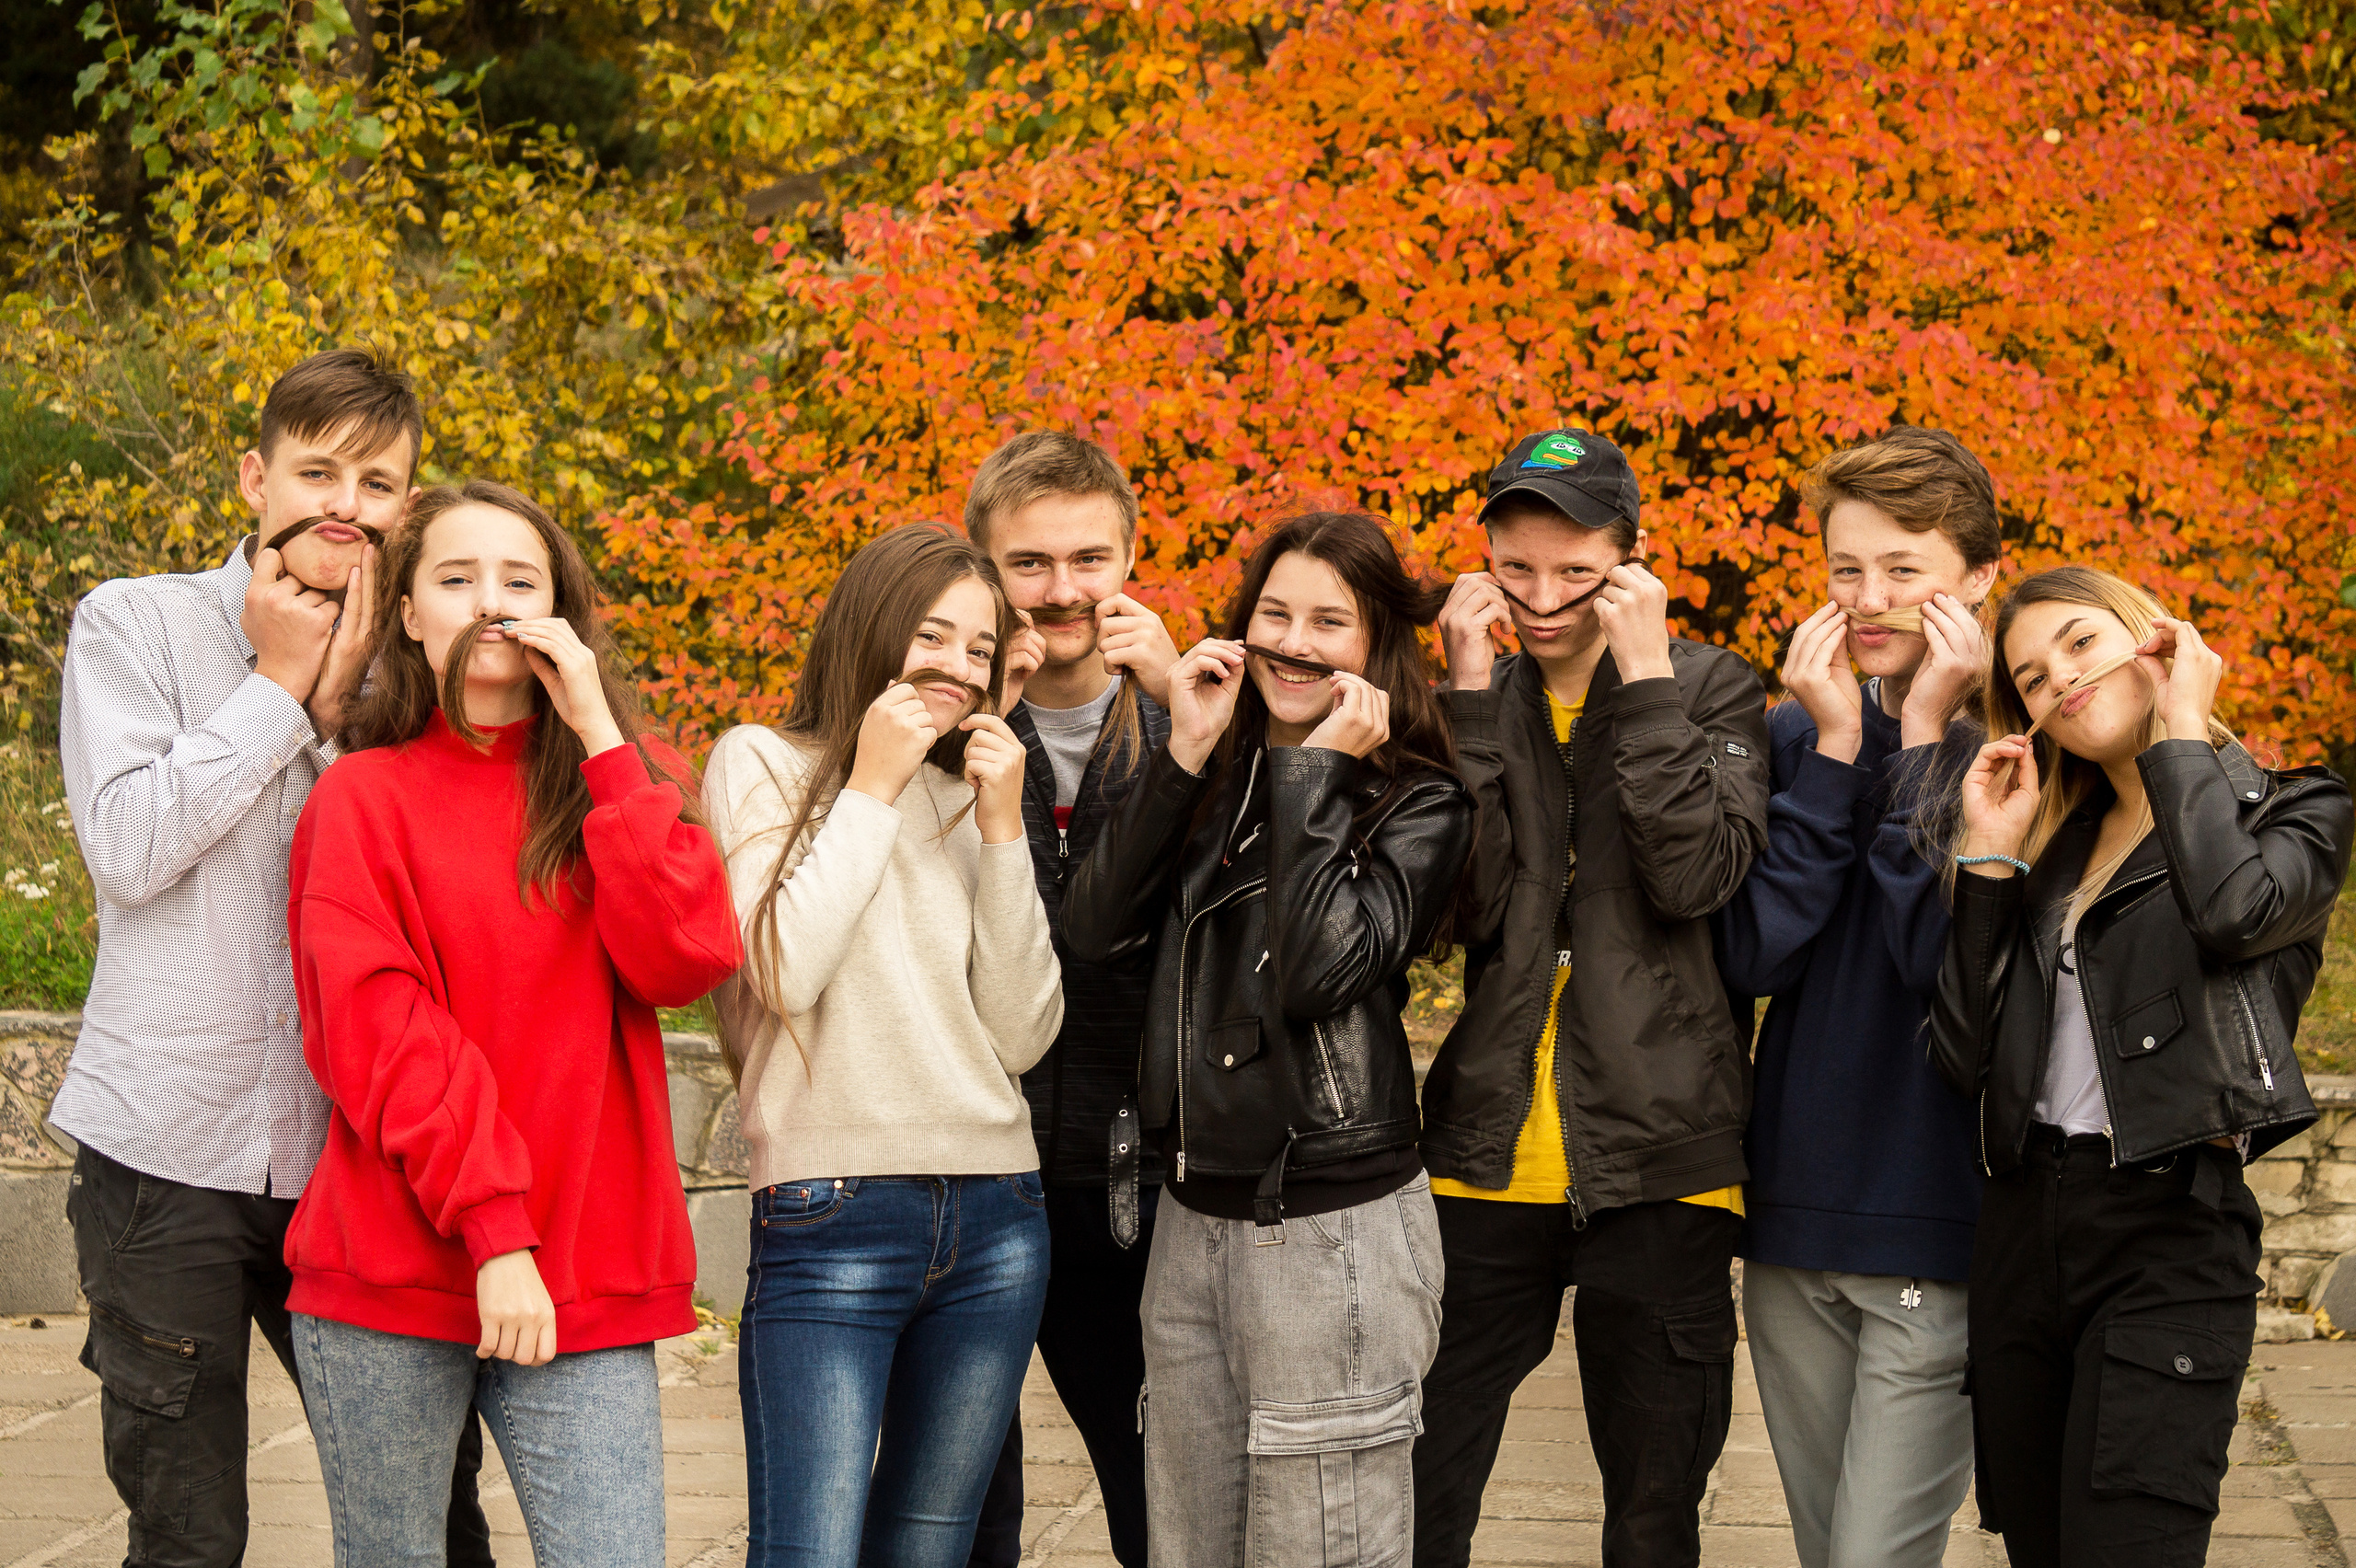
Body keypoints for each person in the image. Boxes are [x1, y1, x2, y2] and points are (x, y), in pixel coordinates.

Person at [52, 348, 497, 1566]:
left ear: (407, 506)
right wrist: (281, 687)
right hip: (163, 1153)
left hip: (359, 1166)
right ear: (256, 479)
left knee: (432, 1525)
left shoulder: (428, 660)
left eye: (377, 483)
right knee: (187, 1536)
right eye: (317, 473)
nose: (344, 505)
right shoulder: (134, 623)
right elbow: (131, 849)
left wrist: (348, 716)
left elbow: (439, 891)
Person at [283, 479, 741, 1563]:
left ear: (561, 611)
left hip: (587, 1275)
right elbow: (380, 1033)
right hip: (392, 1274)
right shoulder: (361, 797)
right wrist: (496, 1233)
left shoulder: (629, 783)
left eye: (519, 580)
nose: (490, 601)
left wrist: (598, 734)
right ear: (407, 613)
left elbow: (683, 959)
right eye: (456, 578)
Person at [1063, 511, 1472, 1568]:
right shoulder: (1215, 774)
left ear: (1376, 644)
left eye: (1328, 622)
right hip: (1189, 1222)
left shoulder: (1418, 801)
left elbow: (1317, 973)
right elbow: (1093, 931)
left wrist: (1314, 775)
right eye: (1273, 614)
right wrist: (1184, 753)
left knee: (1320, 1547)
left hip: (1327, 1226)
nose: (1293, 642)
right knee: (1188, 1545)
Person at [1932, 566, 2351, 1568]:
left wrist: (2180, 730)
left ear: (2150, 636)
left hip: (2168, 1226)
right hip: (2022, 1228)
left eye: (2080, 642)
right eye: (2032, 679)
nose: (2062, 681)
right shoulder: (2052, 846)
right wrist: (1988, 858)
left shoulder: (2293, 810)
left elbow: (2233, 913)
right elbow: (1962, 1056)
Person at [1415, 430, 1771, 1568]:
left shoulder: (1710, 685)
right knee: (1419, 1486)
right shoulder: (1472, 693)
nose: (1540, 600)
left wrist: (1649, 677)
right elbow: (1462, 907)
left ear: (1630, 561)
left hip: (1664, 1154)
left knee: (1653, 1512)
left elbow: (1694, 877)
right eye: (1514, 569)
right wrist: (1470, 701)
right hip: (1484, 1150)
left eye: (1574, 571)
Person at [703, 523, 1064, 1568]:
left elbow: (1023, 1031)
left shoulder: (977, 794)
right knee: (808, 1550)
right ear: (871, 627)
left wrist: (1004, 828)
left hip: (999, 1216)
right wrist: (872, 784)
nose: (958, 665)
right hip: (831, 1211)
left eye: (979, 648)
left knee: (930, 1549)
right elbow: (783, 971)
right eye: (932, 635)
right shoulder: (762, 762)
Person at [1712, 428, 1997, 1568]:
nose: (1868, 599)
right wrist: (1835, 750)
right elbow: (1752, 956)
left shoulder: (2017, 749)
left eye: (1903, 569)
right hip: (1792, 1215)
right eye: (1845, 569)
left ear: (1978, 578)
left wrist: (1922, 740)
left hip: (1932, 1217)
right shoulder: (1795, 733)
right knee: (1826, 1545)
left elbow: (1942, 963)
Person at [962, 432, 1178, 1568]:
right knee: (962, 1495)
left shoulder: (1190, 720)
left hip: (1135, 1175)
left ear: (1130, 558)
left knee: (1157, 1493)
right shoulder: (938, 731)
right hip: (971, 1168)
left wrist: (1189, 713)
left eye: (1089, 559)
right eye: (1029, 564)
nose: (1062, 591)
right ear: (985, 569)